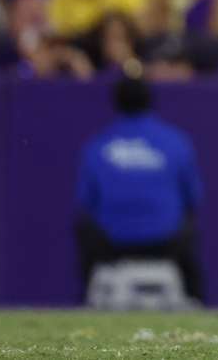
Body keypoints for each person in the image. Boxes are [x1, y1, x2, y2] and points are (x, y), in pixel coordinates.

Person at [74, 75, 205, 302]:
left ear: (116, 102)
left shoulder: (98, 146)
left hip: (112, 244)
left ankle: (86, 297)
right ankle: (196, 299)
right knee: (189, 227)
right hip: (166, 242)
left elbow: (85, 202)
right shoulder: (175, 141)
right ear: (149, 100)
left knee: (84, 227)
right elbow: (193, 198)